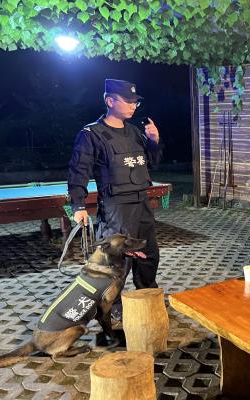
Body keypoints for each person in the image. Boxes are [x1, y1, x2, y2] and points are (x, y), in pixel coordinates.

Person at [67, 79, 161, 319]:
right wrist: (78, 205)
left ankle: (147, 294)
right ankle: (113, 304)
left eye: (135, 102)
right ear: (110, 101)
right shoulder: (91, 134)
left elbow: (152, 163)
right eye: (127, 101)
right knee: (116, 259)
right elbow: (79, 171)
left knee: (148, 254)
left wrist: (153, 141)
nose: (133, 106)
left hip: (142, 202)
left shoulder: (135, 132)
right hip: (116, 207)